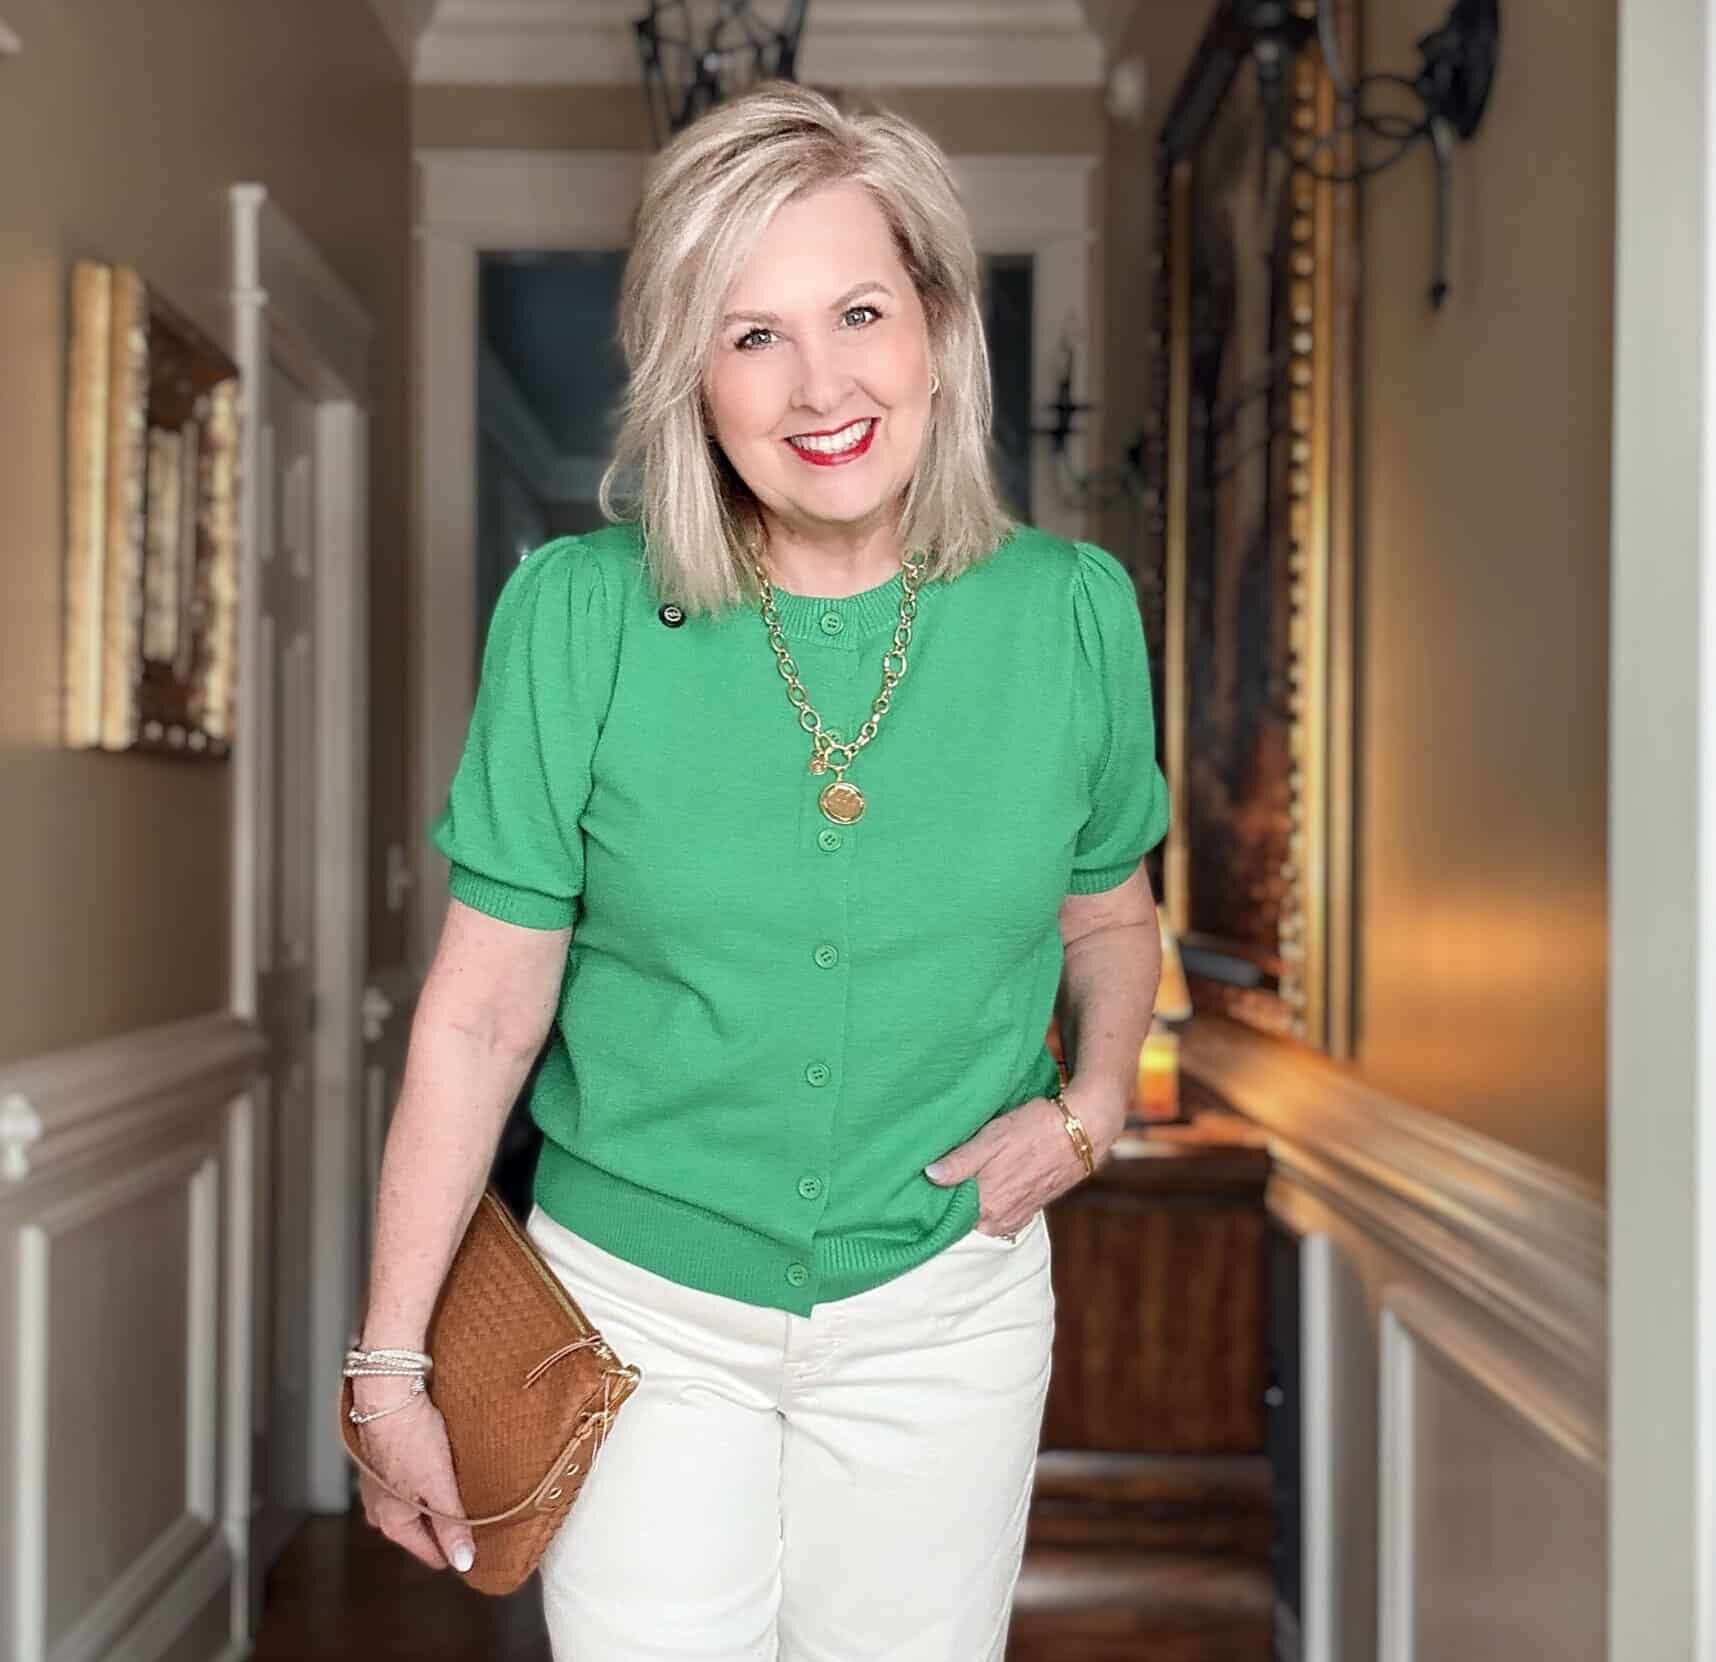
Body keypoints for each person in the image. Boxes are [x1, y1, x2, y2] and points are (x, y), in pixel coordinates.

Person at [349, 82, 1169, 1662]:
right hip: (633, 1315)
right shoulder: (579, 613)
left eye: (859, 311)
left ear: (936, 325)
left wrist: (1097, 1102)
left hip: (946, 1310)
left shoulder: (1070, 613)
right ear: (691, 376)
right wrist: (388, 1364)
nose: (819, 386)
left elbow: (1113, 913)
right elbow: (479, 1013)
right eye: (753, 335)